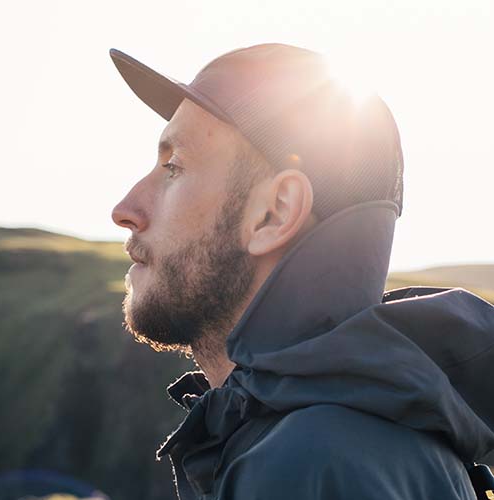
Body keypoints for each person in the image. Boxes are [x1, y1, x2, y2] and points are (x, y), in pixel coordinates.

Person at [109, 43, 494, 500]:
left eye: (173, 167)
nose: (125, 209)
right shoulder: (370, 436)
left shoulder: (307, 461)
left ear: (275, 213)